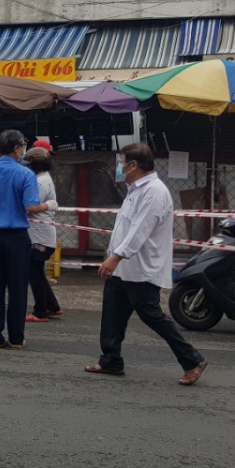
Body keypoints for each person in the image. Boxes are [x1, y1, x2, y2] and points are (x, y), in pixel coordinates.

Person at [86, 143, 209, 385]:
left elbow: (140, 229)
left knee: (152, 315)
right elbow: (126, 227)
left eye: (123, 163)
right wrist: (114, 255)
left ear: (133, 165)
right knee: (113, 312)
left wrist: (117, 255)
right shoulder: (136, 189)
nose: (120, 168)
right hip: (124, 266)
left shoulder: (154, 191)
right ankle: (111, 359)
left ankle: (192, 360)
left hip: (141, 267)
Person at [0, 130, 55, 350]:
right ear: (18, 147)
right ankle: (16, 337)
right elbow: (30, 206)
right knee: (17, 287)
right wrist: (49, 205)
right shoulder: (25, 175)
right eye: (23, 144)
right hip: (17, 237)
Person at [25, 146, 63, 323]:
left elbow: (30, 206)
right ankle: (52, 306)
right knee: (37, 272)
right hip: (41, 235)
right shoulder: (42, 178)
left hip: (40, 236)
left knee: (34, 273)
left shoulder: (40, 182)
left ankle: (41, 311)